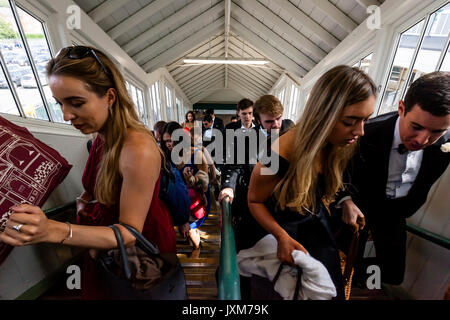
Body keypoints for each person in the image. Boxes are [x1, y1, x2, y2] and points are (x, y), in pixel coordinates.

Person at [0, 46, 177, 299]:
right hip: (103, 242)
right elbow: (95, 187)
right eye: (60, 103)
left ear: (110, 97)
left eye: (77, 103)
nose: (66, 115)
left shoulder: (138, 148)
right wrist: (84, 201)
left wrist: (52, 229)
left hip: (139, 251)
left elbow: (128, 233)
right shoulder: (102, 137)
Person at [247, 65, 377, 300]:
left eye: (366, 120)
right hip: (282, 238)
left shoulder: (335, 143)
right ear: (323, 115)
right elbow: (254, 200)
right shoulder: (274, 156)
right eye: (349, 121)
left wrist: (345, 200)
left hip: (316, 230)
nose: (361, 131)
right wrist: (281, 237)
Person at [337, 71, 450, 286]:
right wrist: (345, 200)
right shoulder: (365, 133)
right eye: (416, 127)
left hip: (396, 215)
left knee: (387, 275)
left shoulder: (447, 142)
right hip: (358, 212)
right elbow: (336, 169)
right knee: (342, 268)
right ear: (401, 108)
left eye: (436, 132)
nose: (423, 140)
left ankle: (367, 288)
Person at [219, 95, 294, 252]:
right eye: (269, 121)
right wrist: (228, 186)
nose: (276, 125)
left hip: (284, 207)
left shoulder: (290, 133)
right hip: (253, 206)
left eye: (278, 119)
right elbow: (234, 166)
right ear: (258, 120)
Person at [161, 122, 210, 250]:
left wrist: (193, 180)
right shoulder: (166, 156)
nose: (169, 144)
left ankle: (197, 251)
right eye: (166, 141)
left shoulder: (196, 154)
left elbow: (205, 184)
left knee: (191, 231)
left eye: (172, 141)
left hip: (196, 202)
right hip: (178, 202)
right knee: (184, 231)